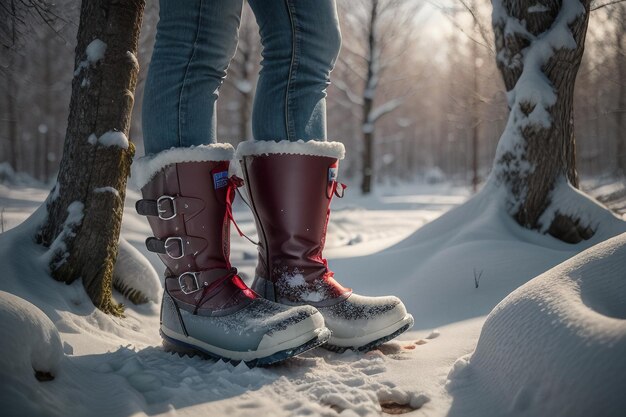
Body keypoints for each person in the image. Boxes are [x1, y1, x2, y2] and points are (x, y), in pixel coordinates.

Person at [131, 0, 414, 366]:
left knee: (310, 40)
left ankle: (293, 278)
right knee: (200, 34)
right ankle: (196, 294)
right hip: (196, 297)